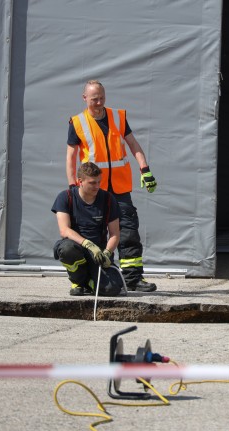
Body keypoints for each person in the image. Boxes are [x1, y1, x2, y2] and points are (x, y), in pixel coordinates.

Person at [66, 79, 158, 293]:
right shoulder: (77, 122)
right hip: (93, 189)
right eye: (94, 99)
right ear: (85, 98)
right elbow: (70, 156)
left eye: (101, 98)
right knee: (92, 234)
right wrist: (72, 185)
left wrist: (145, 169)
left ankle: (133, 279)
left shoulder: (118, 117)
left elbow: (133, 144)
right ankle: (87, 280)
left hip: (120, 188)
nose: (98, 103)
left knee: (128, 232)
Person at [52, 162, 122, 296]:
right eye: (92, 183)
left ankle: (90, 282)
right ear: (80, 182)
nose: (97, 186)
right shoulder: (66, 197)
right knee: (67, 249)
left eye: (99, 182)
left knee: (112, 289)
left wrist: (107, 252)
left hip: (98, 253)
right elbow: (64, 230)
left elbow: (115, 234)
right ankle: (78, 281)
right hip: (76, 247)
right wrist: (87, 244)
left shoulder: (108, 199)